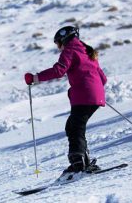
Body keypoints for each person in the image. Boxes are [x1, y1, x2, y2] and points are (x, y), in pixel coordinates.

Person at [24, 26, 107, 175]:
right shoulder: (87, 51)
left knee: (75, 128)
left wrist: (35, 78)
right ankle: (82, 160)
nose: (58, 48)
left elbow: (59, 71)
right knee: (73, 126)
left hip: (84, 96)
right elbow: (103, 78)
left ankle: (79, 164)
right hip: (94, 95)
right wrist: (94, 89)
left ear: (64, 39)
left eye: (58, 44)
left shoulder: (70, 49)